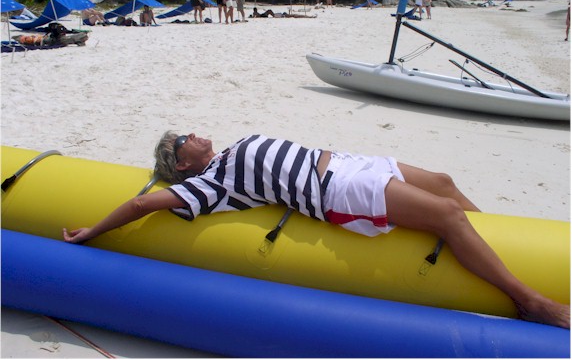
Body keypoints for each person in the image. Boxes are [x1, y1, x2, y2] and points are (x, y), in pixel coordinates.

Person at [63, 131, 569, 329]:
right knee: (446, 215)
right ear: (182, 166)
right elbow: (141, 203)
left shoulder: (223, 155)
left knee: (443, 182)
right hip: (335, 190)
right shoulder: (209, 184)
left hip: (352, 161)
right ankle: (530, 300)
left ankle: (504, 246)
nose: (191, 134)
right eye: (181, 141)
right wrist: (92, 232)